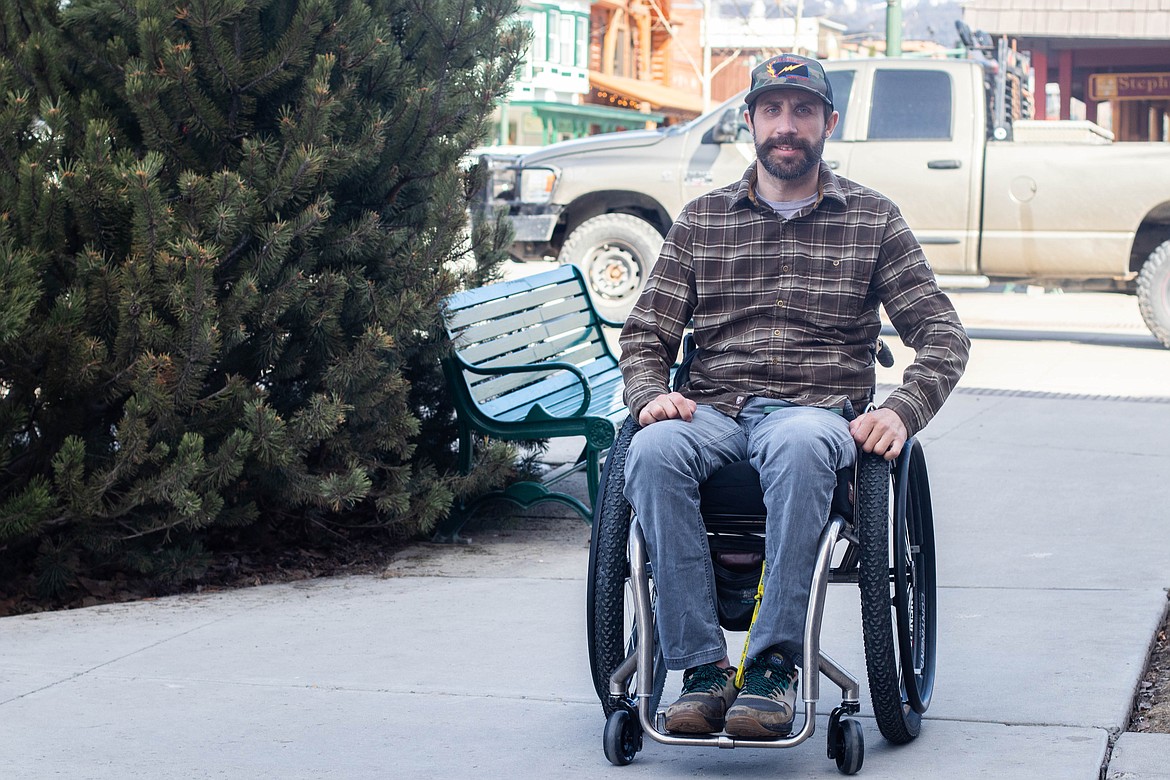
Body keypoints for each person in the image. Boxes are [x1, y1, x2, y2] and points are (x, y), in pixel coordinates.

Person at [617, 53, 970, 739]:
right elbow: (644, 336)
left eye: (803, 111)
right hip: (713, 411)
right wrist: (647, 394)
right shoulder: (702, 221)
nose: (787, 125)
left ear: (828, 123)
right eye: (772, 110)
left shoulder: (872, 220)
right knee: (653, 448)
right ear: (749, 122)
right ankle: (702, 668)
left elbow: (943, 336)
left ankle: (775, 664)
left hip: (816, 413)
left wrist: (902, 409)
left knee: (805, 442)